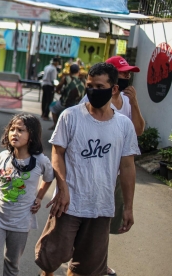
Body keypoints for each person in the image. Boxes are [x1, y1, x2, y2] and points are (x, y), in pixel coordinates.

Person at [35, 62, 140, 276]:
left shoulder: (123, 125)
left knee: (88, 267)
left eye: (100, 87)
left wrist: (128, 207)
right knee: (50, 257)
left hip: (101, 206)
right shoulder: (70, 116)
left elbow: (128, 167)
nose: (93, 91)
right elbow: (57, 153)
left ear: (114, 89)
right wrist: (62, 188)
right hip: (69, 204)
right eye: (90, 85)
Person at [78, 55, 145, 276]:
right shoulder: (89, 102)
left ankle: (97, 264)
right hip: (87, 173)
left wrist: (134, 103)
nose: (127, 77)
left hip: (112, 175)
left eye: (128, 74)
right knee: (81, 221)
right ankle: (74, 258)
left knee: (103, 224)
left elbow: (138, 131)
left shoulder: (126, 102)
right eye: (124, 73)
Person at [0, 114, 54, 276]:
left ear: (32, 135)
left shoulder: (41, 161)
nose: (15, 133)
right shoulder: (3, 157)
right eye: (12, 129)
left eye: (21, 130)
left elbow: (49, 178)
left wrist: (40, 197)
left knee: (12, 263)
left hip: (21, 221)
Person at [49, 64, 85, 130]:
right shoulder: (83, 80)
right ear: (78, 71)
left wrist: (57, 90)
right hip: (78, 105)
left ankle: (55, 125)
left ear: (70, 71)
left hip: (65, 103)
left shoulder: (66, 78)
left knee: (52, 107)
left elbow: (58, 87)